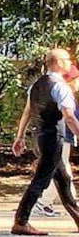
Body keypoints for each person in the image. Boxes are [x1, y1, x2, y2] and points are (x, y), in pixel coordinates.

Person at [11, 49, 79, 236]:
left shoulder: (36, 86)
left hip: (39, 138)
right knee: (41, 180)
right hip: (53, 138)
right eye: (66, 59)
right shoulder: (60, 87)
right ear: (57, 62)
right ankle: (21, 221)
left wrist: (20, 136)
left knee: (63, 179)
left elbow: (27, 112)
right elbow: (69, 117)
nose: (69, 61)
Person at [33, 64, 79, 217]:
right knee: (62, 170)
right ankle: (45, 202)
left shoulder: (65, 93)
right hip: (60, 133)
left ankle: (44, 202)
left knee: (60, 172)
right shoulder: (62, 91)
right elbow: (69, 117)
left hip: (63, 134)